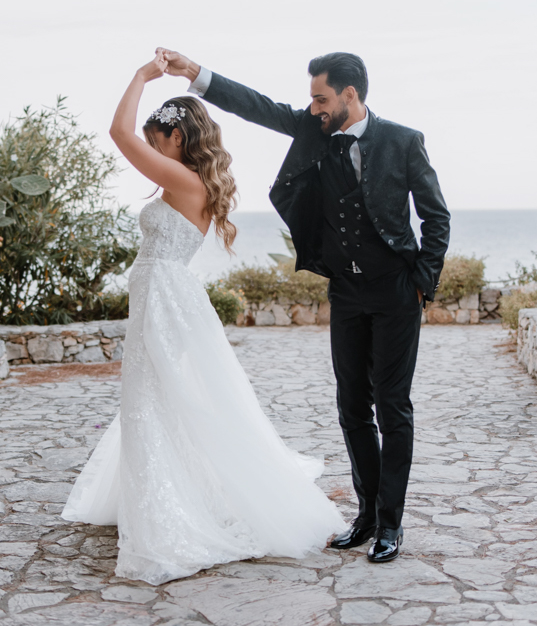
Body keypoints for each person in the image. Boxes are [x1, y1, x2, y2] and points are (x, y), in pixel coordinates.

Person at [61, 51, 345, 586]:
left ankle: (173, 516)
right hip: (166, 295)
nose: (148, 145)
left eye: (156, 137)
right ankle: (166, 497)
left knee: (155, 398)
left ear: (178, 139)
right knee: (159, 400)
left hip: (165, 298)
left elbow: (117, 133)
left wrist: (142, 76)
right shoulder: (189, 181)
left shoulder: (185, 181)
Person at [158, 49, 450, 563]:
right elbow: (256, 106)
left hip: (396, 291)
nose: (313, 106)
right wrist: (195, 74)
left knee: (393, 406)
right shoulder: (313, 129)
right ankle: (365, 515)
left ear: (350, 95)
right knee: (352, 407)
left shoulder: (404, 142)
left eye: (321, 97)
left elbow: (435, 216)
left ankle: (390, 524)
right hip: (346, 290)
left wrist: (422, 282)